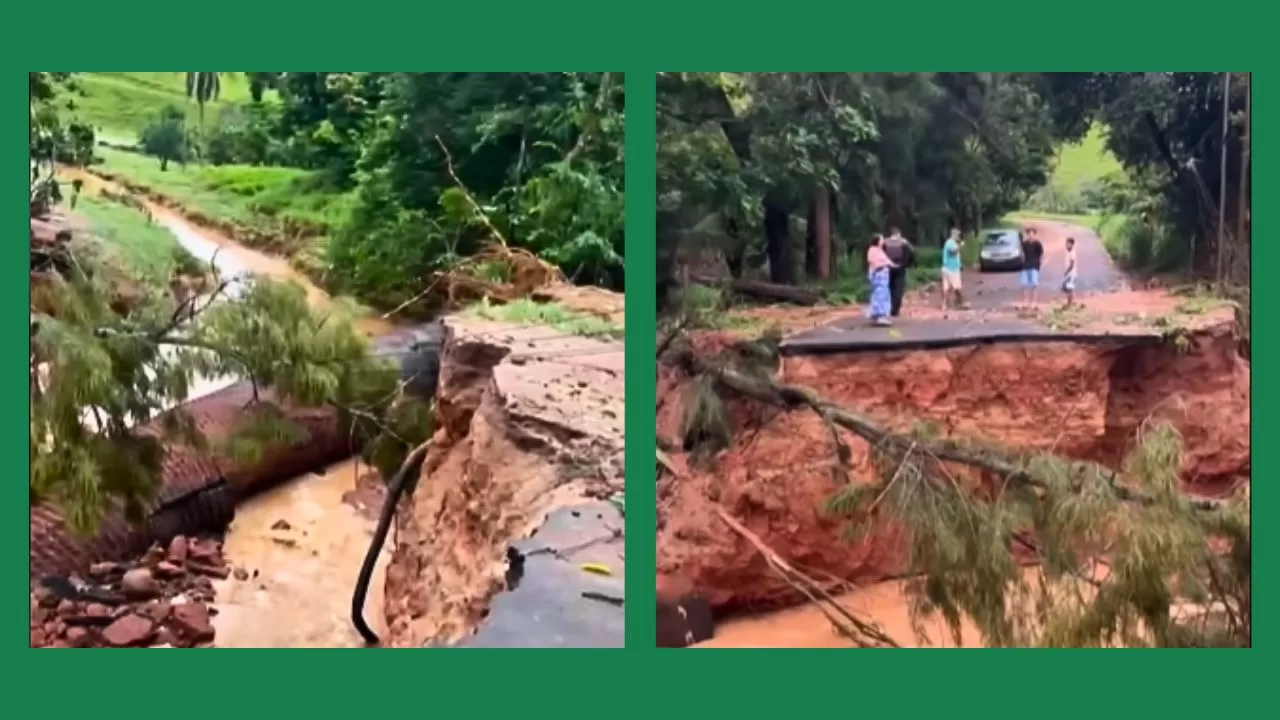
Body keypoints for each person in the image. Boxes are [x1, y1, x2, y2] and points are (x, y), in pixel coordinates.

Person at [882, 227, 915, 317]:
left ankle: (887, 308)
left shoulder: (884, 242)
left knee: (889, 289)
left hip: (887, 268)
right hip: (900, 268)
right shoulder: (904, 242)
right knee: (898, 290)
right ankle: (895, 310)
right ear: (899, 234)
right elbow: (912, 254)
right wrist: (907, 264)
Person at [866, 234, 897, 326]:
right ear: (877, 241)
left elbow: (887, 260)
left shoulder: (880, 250)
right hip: (878, 275)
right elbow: (872, 261)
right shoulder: (872, 250)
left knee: (883, 294)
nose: (883, 241)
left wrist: (894, 265)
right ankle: (880, 316)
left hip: (883, 275)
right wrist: (882, 265)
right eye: (881, 239)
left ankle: (878, 315)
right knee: (880, 294)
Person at [1019, 226, 1045, 306]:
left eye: (1032, 233)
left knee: (1034, 284)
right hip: (1026, 265)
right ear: (1027, 234)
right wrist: (1022, 259)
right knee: (1024, 284)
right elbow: (1022, 253)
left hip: (1034, 266)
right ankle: (1025, 301)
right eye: (1029, 233)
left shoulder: (1037, 244)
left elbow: (1041, 254)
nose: (1030, 235)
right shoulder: (1024, 244)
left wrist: (1039, 262)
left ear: (1034, 234)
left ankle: (1034, 301)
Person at [940, 227, 965, 310]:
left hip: (947, 268)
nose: (959, 237)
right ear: (954, 234)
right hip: (952, 268)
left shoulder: (950, 243)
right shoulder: (950, 243)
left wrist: (960, 265)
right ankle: (960, 302)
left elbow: (955, 256)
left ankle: (945, 304)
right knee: (956, 287)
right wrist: (960, 246)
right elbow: (953, 252)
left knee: (946, 287)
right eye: (958, 235)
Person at [1062, 236, 1078, 305]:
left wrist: (1066, 271)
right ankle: (1070, 301)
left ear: (1071, 244)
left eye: (1068, 243)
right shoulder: (1068, 252)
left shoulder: (1072, 253)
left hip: (1072, 274)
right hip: (1069, 274)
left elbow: (1072, 265)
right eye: (1066, 243)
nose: (1066, 245)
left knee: (1069, 288)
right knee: (1066, 288)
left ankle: (1070, 302)